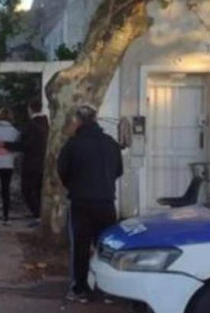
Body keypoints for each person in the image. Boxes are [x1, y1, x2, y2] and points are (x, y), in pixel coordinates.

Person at [58, 104, 123, 304]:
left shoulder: (72, 144)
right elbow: (119, 170)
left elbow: (62, 170)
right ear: (95, 119)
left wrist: (75, 186)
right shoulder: (110, 143)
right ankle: (109, 290)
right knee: (106, 246)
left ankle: (80, 289)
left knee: (80, 246)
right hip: (105, 200)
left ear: (77, 120)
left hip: (81, 201)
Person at [2, 99, 50, 226]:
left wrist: (7, 145)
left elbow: (25, 145)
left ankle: (38, 215)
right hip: (44, 163)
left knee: (27, 190)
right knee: (39, 190)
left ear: (30, 109)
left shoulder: (31, 125)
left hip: (31, 163)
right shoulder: (47, 123)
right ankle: (40, 215)